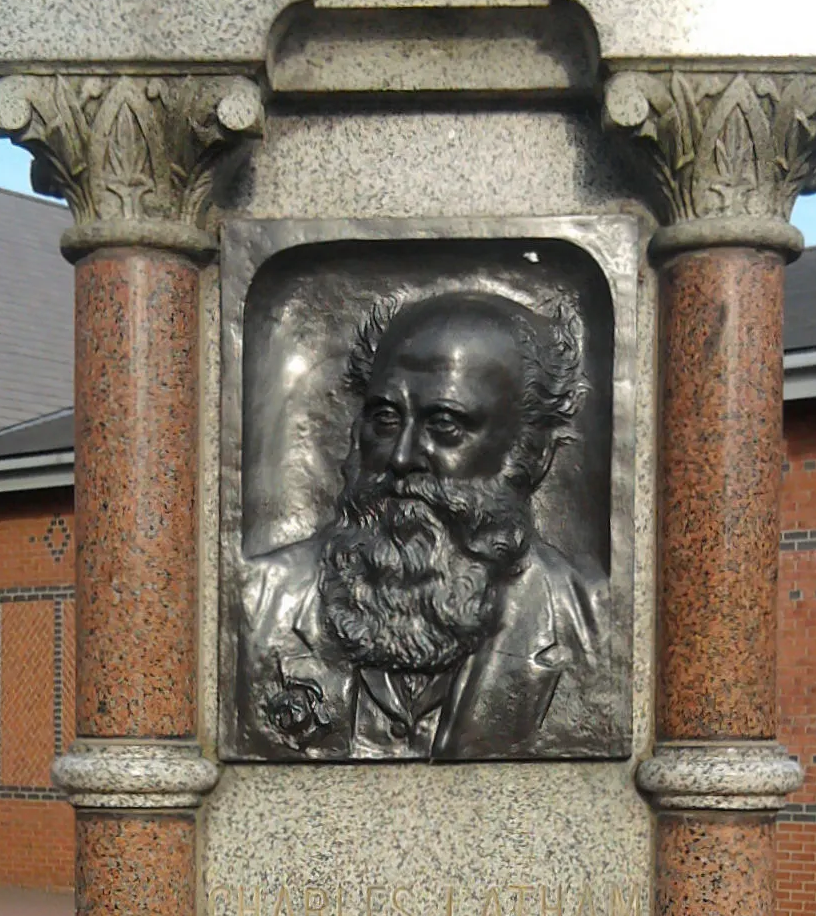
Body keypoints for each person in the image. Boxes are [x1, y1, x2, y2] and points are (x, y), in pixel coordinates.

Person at [235, 289, 608, 760]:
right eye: (386, 420)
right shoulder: (261, 599)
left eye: (446, 425)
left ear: (532, 456)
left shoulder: (588, 626)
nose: (403, 456)